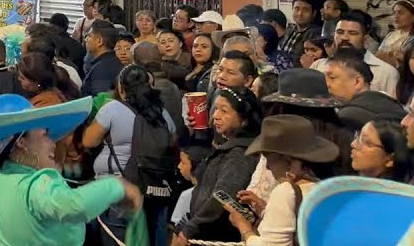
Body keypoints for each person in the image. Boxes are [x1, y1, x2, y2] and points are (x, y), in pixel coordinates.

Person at [0, 94, 141, 246]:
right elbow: (74, 206)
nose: (53, 143)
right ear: (22, 142)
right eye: (45, 135)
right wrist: (117, 186)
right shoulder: (38, 183)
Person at [82, 64, 176, 244]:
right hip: (155, 190)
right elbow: (173, 144)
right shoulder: (162, 113)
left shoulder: (112, 109)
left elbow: (89, 141)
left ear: (121, 88)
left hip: (117, 189)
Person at [223, 115, 339, 246]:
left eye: (269, 159)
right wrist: (263, 209)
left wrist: (244, 228)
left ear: (288, 160)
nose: (267, 166)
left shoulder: (285, 192)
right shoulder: (324, 187)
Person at [173, 87, 263, 245]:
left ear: (244, 119)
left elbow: (222, 197)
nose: (215, 116)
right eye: (215, 109)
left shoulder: (240, 154)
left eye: (224, 111)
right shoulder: (229, 148)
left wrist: (190, 229)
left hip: (216, 237)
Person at [313, 12, 400, 99]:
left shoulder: (386, 73)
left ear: (365, 39)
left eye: (352, 33)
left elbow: (390, 109)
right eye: (340, 32)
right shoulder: (318, 66)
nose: (344, 37)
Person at [325, 49, 407, 133]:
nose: (327, 84)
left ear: (357, 82)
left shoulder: (348, 117)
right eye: (325, 79)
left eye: (332, 78)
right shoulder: (391, 104)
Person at [83, 22, 122, 96]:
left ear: (99, 41)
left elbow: (101, 100)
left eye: (89, 36)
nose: (86, 40)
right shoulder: (113, 61)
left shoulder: (101, 69)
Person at [377, 0, 414, 69]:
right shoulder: (391, 35)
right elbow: (379, 56)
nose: (396, 16)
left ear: (413, 17)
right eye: (394, 13)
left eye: (400, 13)